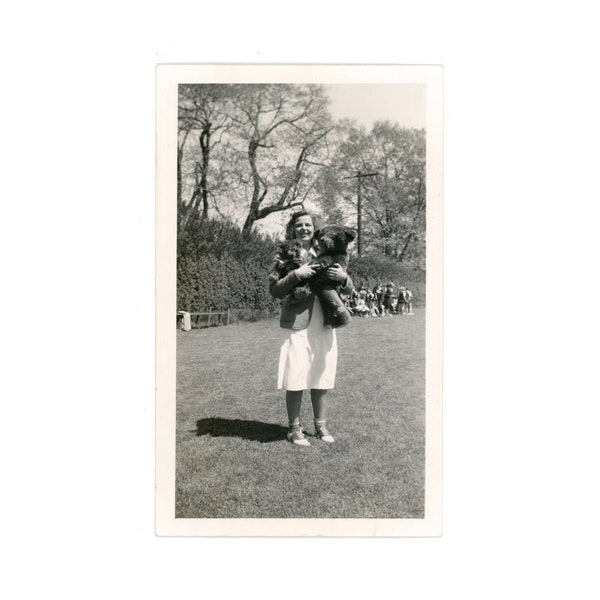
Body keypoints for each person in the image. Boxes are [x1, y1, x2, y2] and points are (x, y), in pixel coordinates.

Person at [269, 211, 354, 447]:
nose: (304, 229)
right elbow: (274, 290)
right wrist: (297, 274)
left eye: (308, 225)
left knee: (321, 374)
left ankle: (320, 426)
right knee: (295, 375)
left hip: (325, 321)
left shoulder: (328, 250)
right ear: (292, 229)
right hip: (297, 322)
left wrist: (344, 277)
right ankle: (294, 430)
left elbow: (348, 289)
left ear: (314, 228)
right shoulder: (284, 254)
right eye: (299, 225)